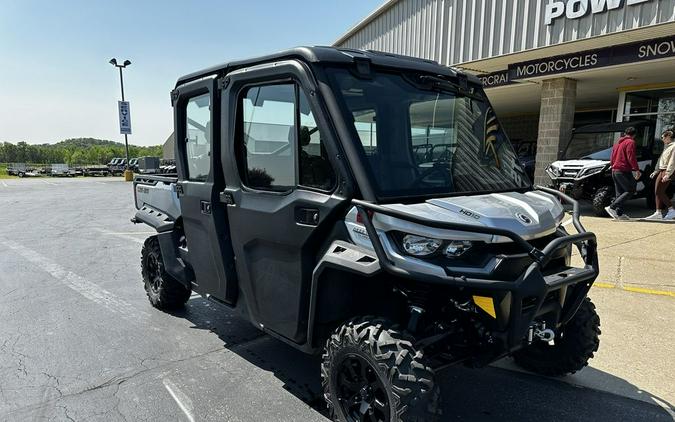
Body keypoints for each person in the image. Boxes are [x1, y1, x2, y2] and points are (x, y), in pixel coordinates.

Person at [605, 127, 641, 220]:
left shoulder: (618, 143)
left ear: (625, 133)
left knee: (620, 193)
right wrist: (636, 169)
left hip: (615, 170)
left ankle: (619, 214)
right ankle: (612, 207)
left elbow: (612, 156)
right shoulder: (630, 142)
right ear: (634, 135)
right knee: (631, 190)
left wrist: (613, 166)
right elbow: (631, 156)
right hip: (623, 170)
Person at [645, 129, 675, 220]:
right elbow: (660, 159)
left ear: (669, 136)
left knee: (660, 191)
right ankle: (658, 212)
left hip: (667, 171)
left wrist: (668, 174)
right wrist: (656, 171)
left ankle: (671, 210)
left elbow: (672, 161)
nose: (662, 139)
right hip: (661, 170)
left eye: (663, 137)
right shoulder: (667, 146)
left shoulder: (674, 146)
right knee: (657, 191)